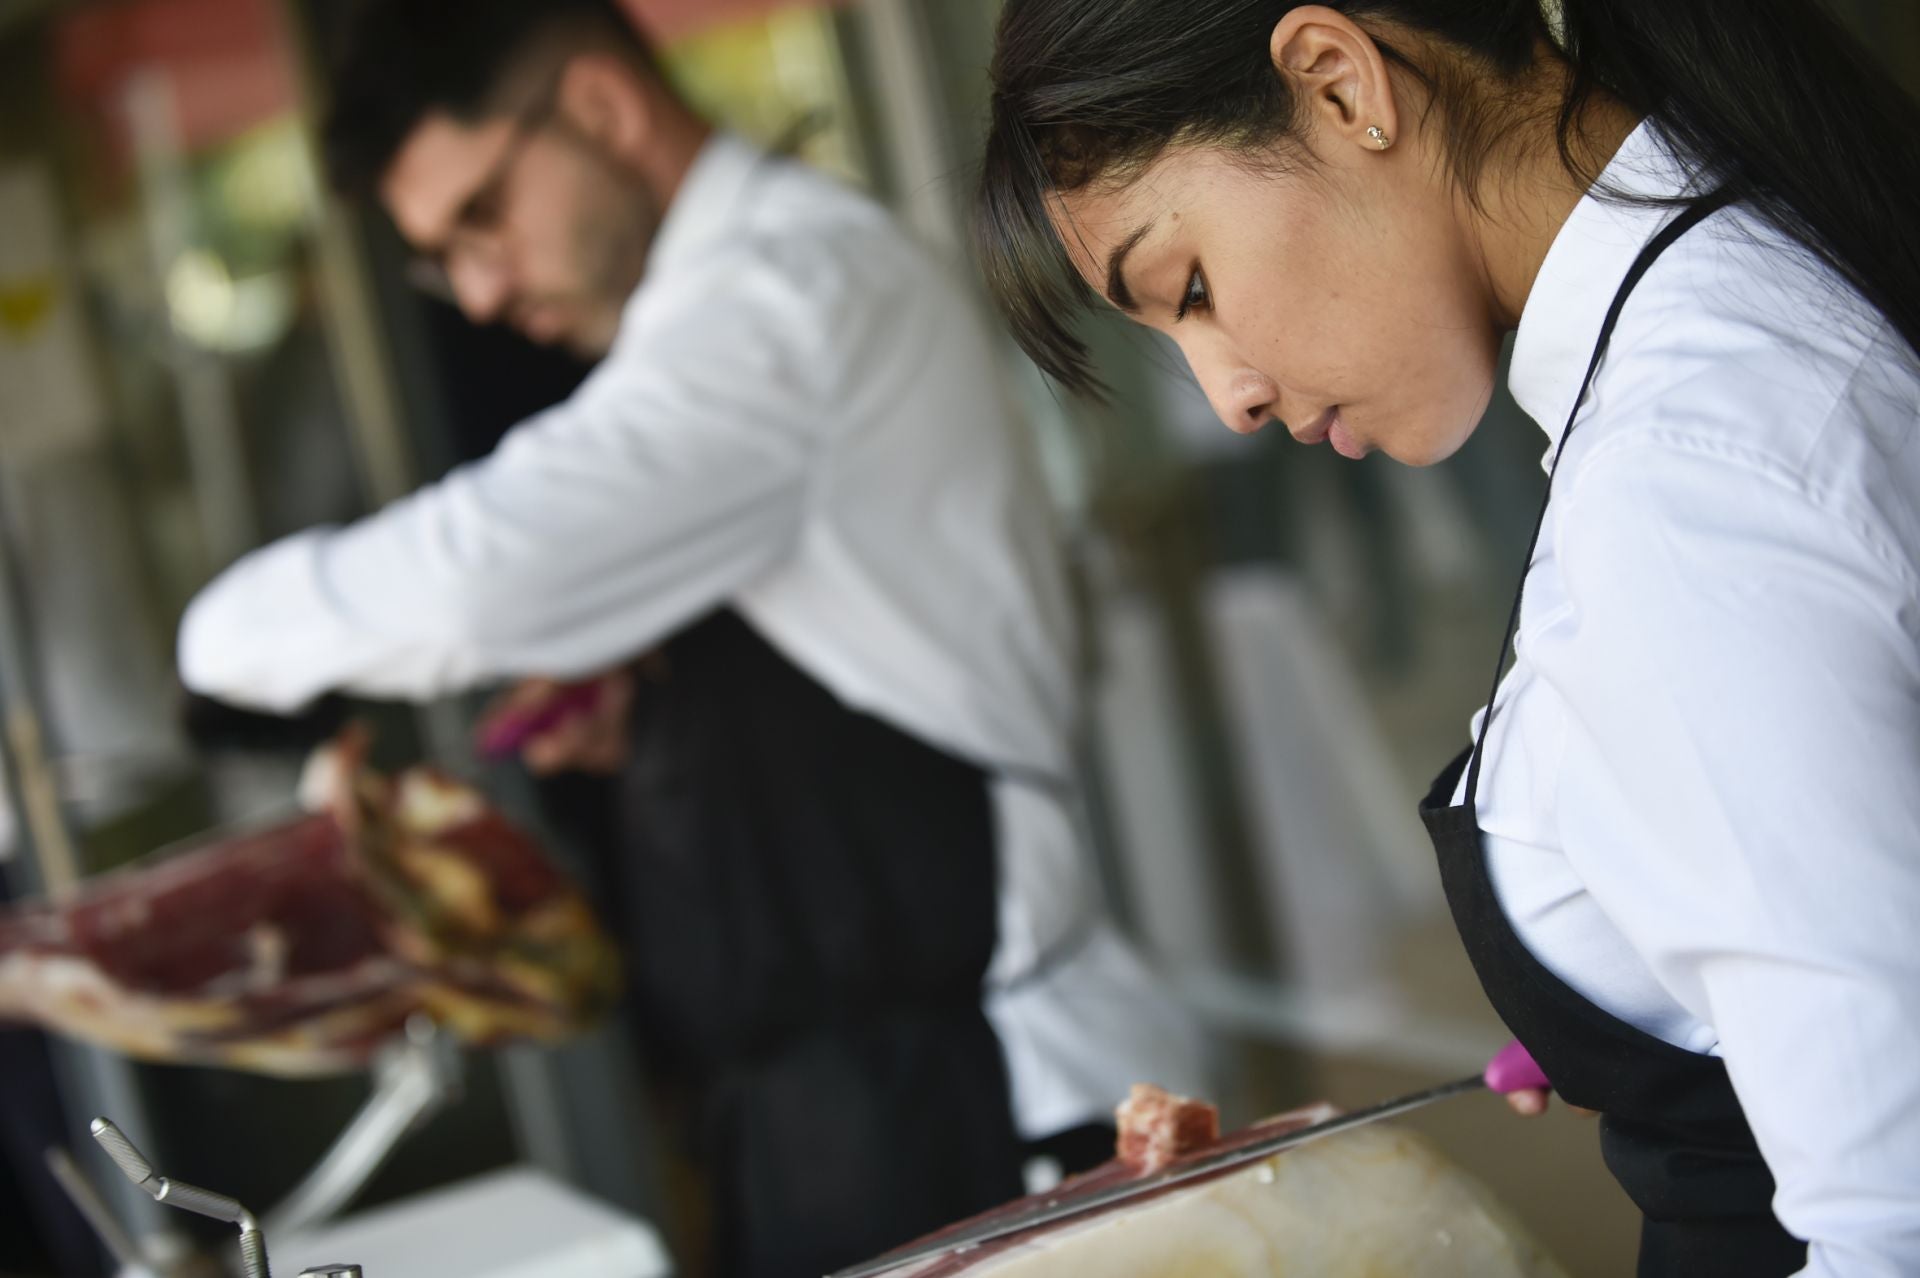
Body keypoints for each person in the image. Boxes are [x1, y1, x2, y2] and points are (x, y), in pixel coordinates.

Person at [176, 2, 1207, 1274]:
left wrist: (217, 646)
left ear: (602, 109)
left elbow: (476, 581)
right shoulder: (725, 310)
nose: (483, 292)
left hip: (965, 1101)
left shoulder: (783, 290)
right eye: (444, 261)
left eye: (481, 218)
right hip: (831, 1108)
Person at [972, 1, 1920, 1276]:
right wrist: (1640, 1005)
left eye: (1192, 288)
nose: (1230, 396)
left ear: (1339, 80)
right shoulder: (1747, 274)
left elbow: (1893, 1219)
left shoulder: (1679, 490)